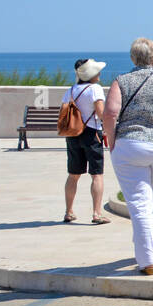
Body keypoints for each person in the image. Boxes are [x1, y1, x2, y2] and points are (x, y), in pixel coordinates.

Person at [102, 38, 153, 276]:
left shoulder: (121, 82)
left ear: (132, 58)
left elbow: (110, 114)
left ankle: (147, 259)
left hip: (131, 145)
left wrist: (112, 141)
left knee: (140, 203)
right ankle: (150, 245)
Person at [63, 58, 109, 225]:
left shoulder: (72, 90)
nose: (99, 74)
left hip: (73, 134)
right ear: (91, 74)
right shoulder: (95, 89)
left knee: (73, 175)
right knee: (97, 174)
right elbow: (101, 113)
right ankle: (97, 213)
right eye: (97, 71)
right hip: (91, 134)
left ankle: (69, 211)